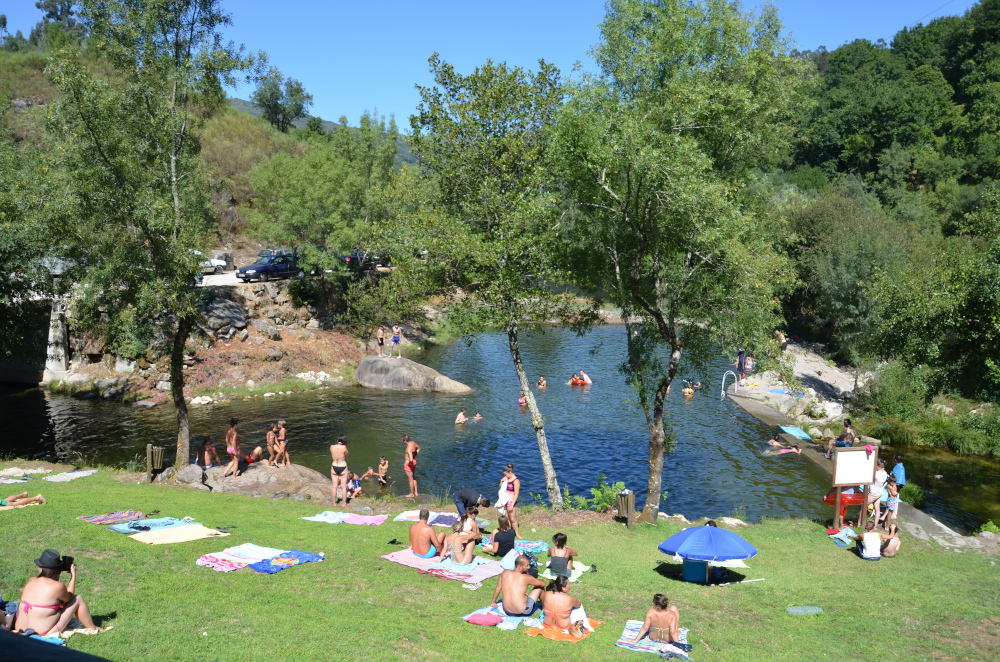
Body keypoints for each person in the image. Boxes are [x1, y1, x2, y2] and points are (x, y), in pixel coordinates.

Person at [16, 550, 104, 637]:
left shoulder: (31, 580)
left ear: (40, 567)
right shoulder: (58, 586)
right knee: (78, 599)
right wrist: (73, 576)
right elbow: (69, 597)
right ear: (58, 569)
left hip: (20, 629)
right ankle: (93, 628)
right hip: (43, 633)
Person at [500, 464, 521, 538]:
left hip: (511, 502)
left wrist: (512, 504)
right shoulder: (506, 478)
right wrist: (501, 481)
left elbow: (516, 494)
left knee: (512, 519)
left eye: (506, 474)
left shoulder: (516, 481)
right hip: (505, 501)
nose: (505, 476)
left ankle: (517, 533)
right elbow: (501, 488)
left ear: (510, 472)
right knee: (506, 517)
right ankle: (508, 530)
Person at [867, 458, 888, 527]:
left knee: (863, 506)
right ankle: (875, 526)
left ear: (878, 465)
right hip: (879, 493)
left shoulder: (876, 473)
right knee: (877, 509)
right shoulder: (885, 473)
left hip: (873, 493)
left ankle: (859, 523)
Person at [330, 435, 349, 504]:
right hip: (343, 466)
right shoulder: (344, 447)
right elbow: (347, 455)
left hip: (334, 466)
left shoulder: (331, 447)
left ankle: (334, 503)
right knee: (343, 487)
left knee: (334, 487)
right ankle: (344, 503)